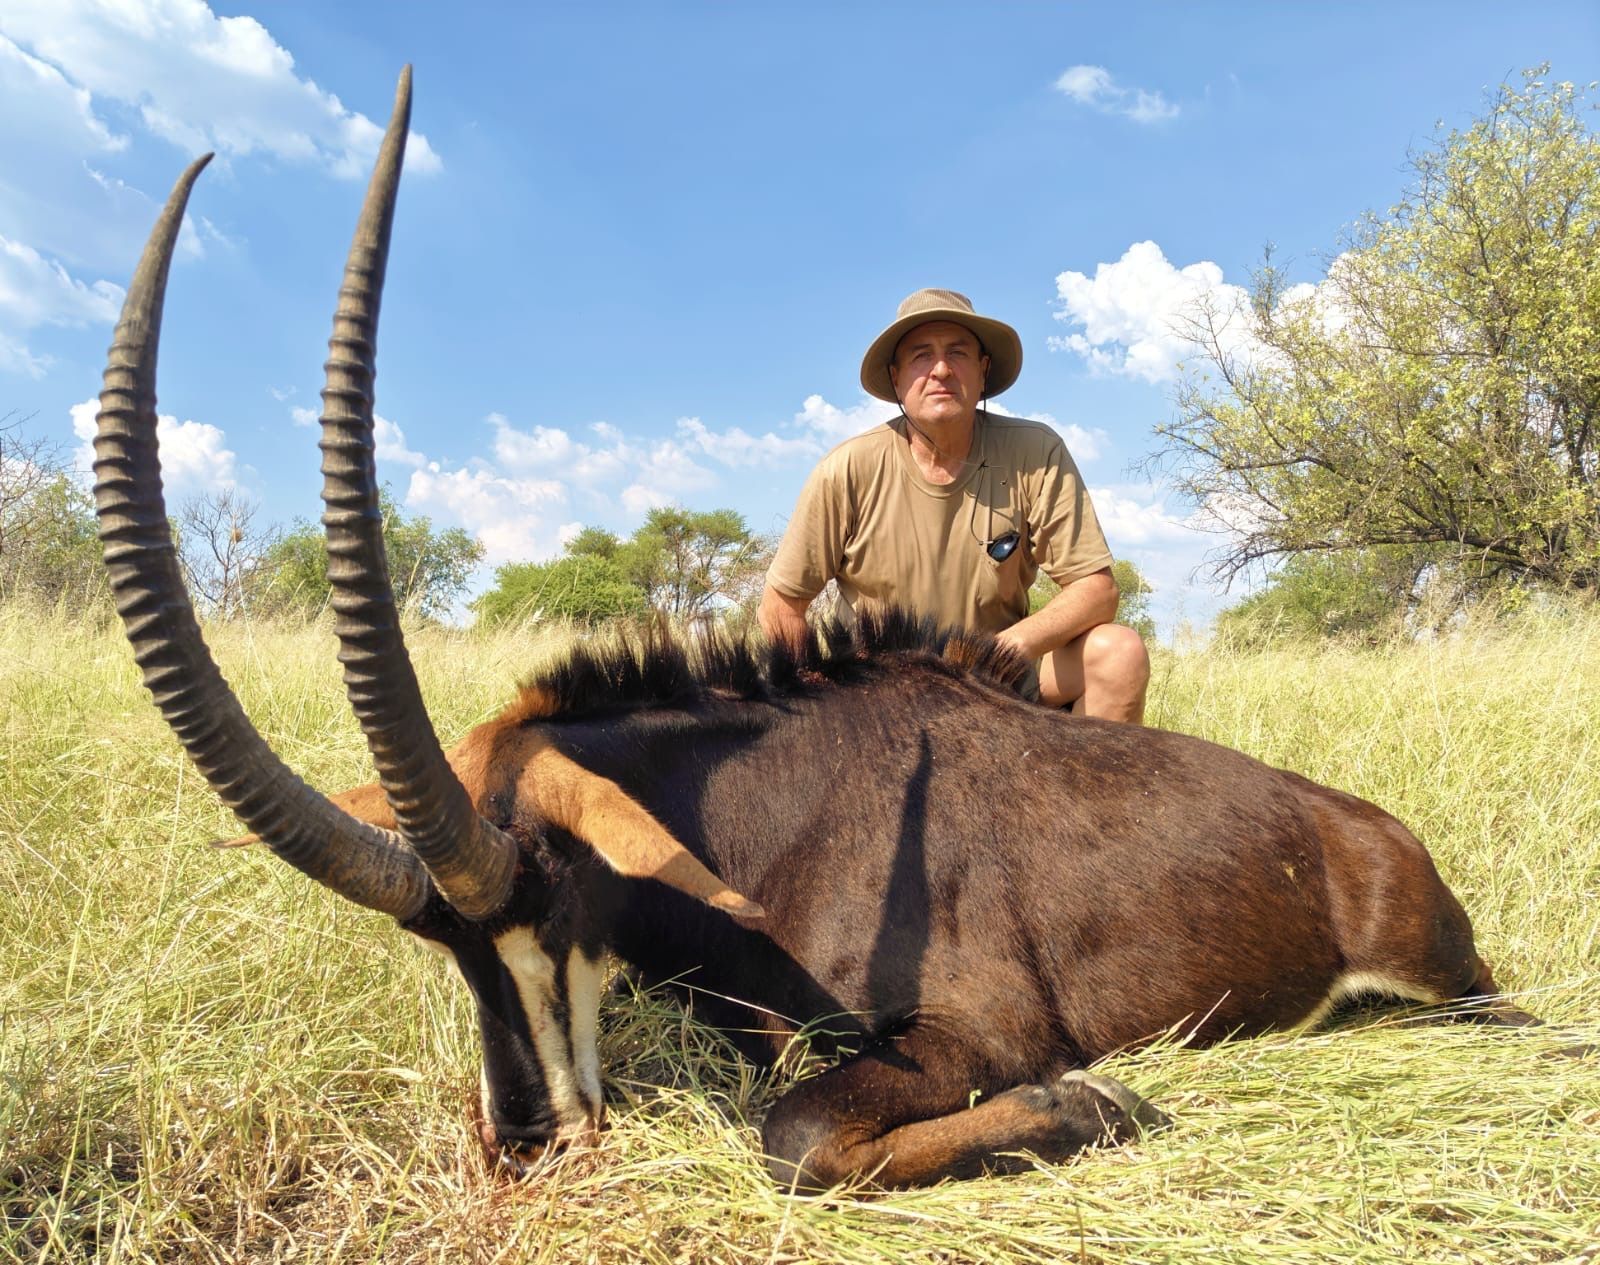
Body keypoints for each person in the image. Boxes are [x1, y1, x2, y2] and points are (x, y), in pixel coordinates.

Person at [758, 288, 1150, 723]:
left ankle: (1086, 791)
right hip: (880, 694)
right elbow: (780, 606)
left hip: (996, 677)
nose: (941, 369)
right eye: (921, 356)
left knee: (1119, 653)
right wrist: (815, 702)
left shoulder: (1035, 451)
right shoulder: (847, 468)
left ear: (983, 371)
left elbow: (1096, 590)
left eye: (958, 353)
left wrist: (998, 651)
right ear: (896, 378)